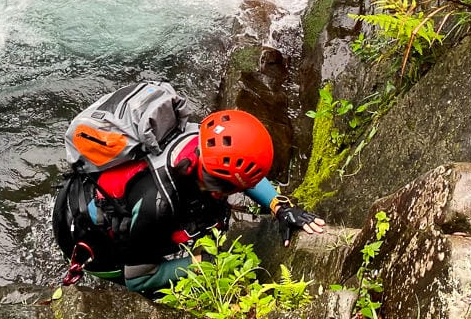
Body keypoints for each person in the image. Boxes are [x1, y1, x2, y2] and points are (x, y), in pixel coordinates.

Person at [53, 108, 325, 294]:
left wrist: (279, 206)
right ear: (220, 191)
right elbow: (137, 278)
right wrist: (208, 262)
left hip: (111, 196)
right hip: (85, 237)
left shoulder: (203, 139)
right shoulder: (159, 204)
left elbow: (239, 168)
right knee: (145, 284)